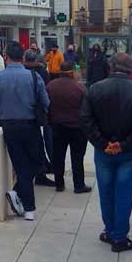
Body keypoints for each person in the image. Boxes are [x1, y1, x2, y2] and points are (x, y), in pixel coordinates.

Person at [82, 52, 132, 252]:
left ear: (110, 66)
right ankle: (119, 237)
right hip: (129, 152)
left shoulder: (95, 89)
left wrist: (102, 142)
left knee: (106, 192)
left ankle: (110, 231)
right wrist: (125, 144)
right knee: (124, 193)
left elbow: (86, 120)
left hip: (104, 150)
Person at [0, 45, 51, 220]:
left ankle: (18, 195)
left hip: (8, 126)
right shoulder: (33, 76)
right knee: (37, 163)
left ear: (6, 56)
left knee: (22, 164)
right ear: (23, 57)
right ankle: (27, 206)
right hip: (30, 125)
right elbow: (46, 102)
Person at [47, 61, 91, 194]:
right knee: (77, 157)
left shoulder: (50, 86)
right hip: (77, 127)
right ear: (72, 72)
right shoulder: (80, 88)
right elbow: (86, 110)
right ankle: (78, 185)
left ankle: (59, 184)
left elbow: (46, 105)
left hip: (57, 126)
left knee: (58, 156)